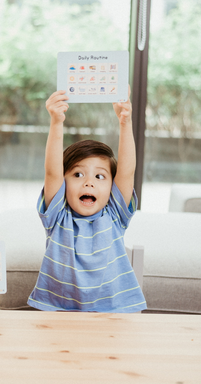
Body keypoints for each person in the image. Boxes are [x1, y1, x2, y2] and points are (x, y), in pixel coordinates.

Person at [27, 87, 147, 313]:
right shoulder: (57, 216)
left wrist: (125, 122)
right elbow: (52, 172)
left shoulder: (115, 214)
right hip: (58, 311)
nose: (88, 183)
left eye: (100, 176)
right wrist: (56, 122)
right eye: (78, 174)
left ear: (112, 186)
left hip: (114, 312)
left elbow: (127, 171)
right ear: (64, 183)